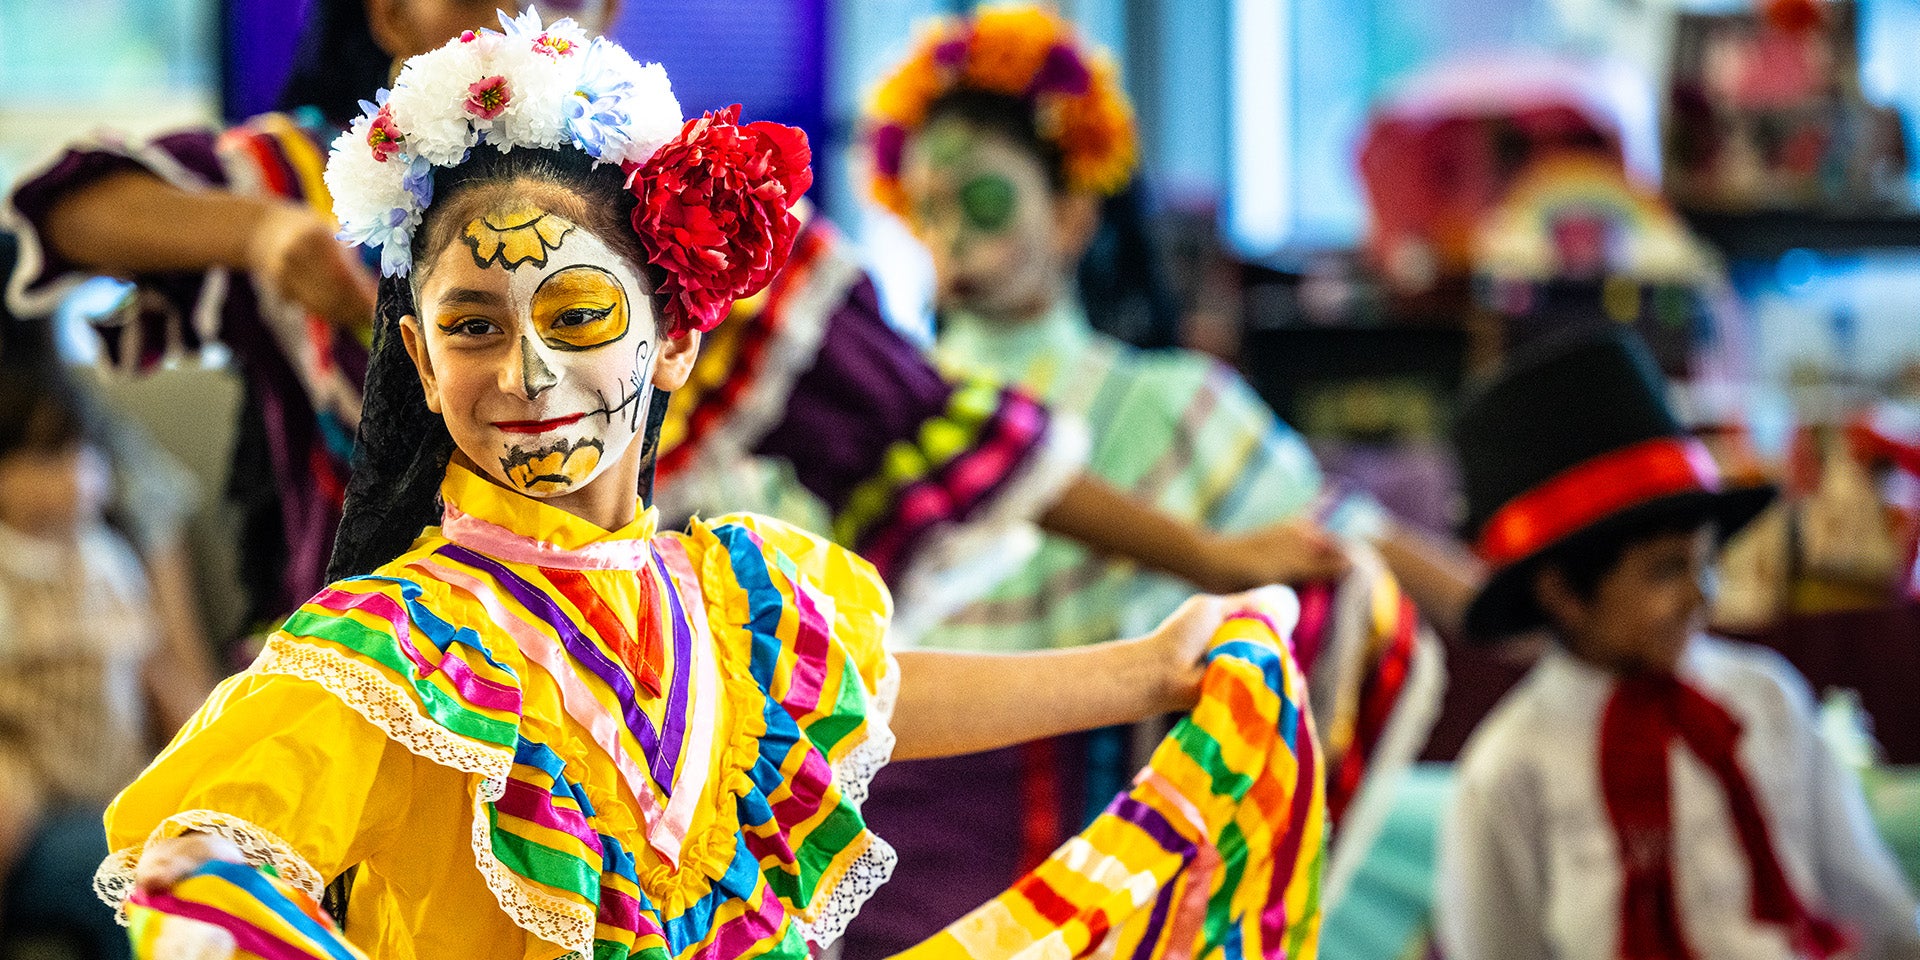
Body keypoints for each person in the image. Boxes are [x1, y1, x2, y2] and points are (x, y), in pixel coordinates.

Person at [100, 18, 1326, 957]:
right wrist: (219, 887)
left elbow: (866, 697)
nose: (527, 368)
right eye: (473, 326)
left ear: (675, 336)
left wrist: (1157, 666)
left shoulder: (735, 593)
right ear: (418, 361)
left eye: (578, 313)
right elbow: (210, 851)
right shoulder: (393, 647)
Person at [7, 0, 1343, 652]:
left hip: (639, 728)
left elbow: (953, 439)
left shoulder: (699, 225)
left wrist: (1202, 566)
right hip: (366, 694)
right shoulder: (311, 178)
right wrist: (260, 236)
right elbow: (70, 217)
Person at [831, 10, 1451, 951]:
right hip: (918, 827)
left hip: (1102, 825)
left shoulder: (1167, 402)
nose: (952, 229)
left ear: (1076, 213)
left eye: (984, 199)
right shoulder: (881, 400)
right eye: (929, 204)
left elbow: (1343, 539)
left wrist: (1509, 602)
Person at [1435, 328, 1920, 960]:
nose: (1701, 597)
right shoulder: (1509, 770)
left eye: (1706, 564)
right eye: (1665, 571)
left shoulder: (1763, 699)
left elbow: (1870, 905)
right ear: (1563, 593)